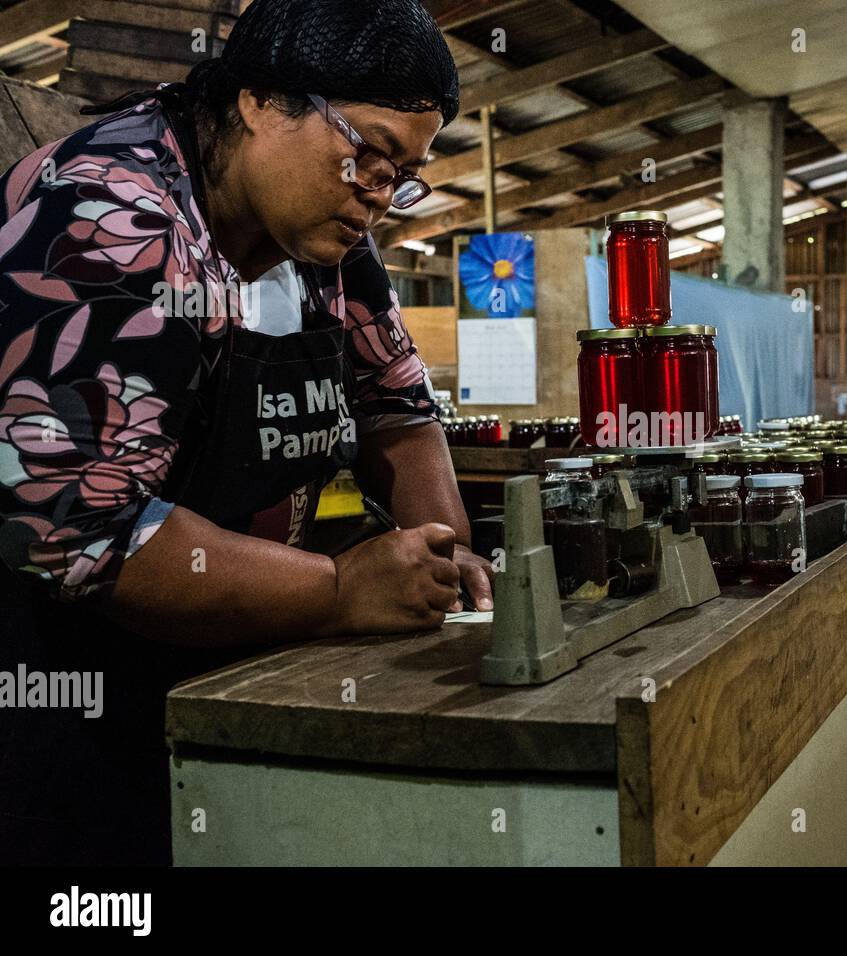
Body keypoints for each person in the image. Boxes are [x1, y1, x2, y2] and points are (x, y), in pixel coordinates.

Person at [0, 0, 490, 865]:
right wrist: (339, 591)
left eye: (401, 174)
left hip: (218, 665)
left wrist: (442, 554)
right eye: (367, 151)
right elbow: (83, 536)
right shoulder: (115, 219)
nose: (378, 193)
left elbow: (399, 409)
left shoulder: (324, 237)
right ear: (263, 101)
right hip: (65, 691)